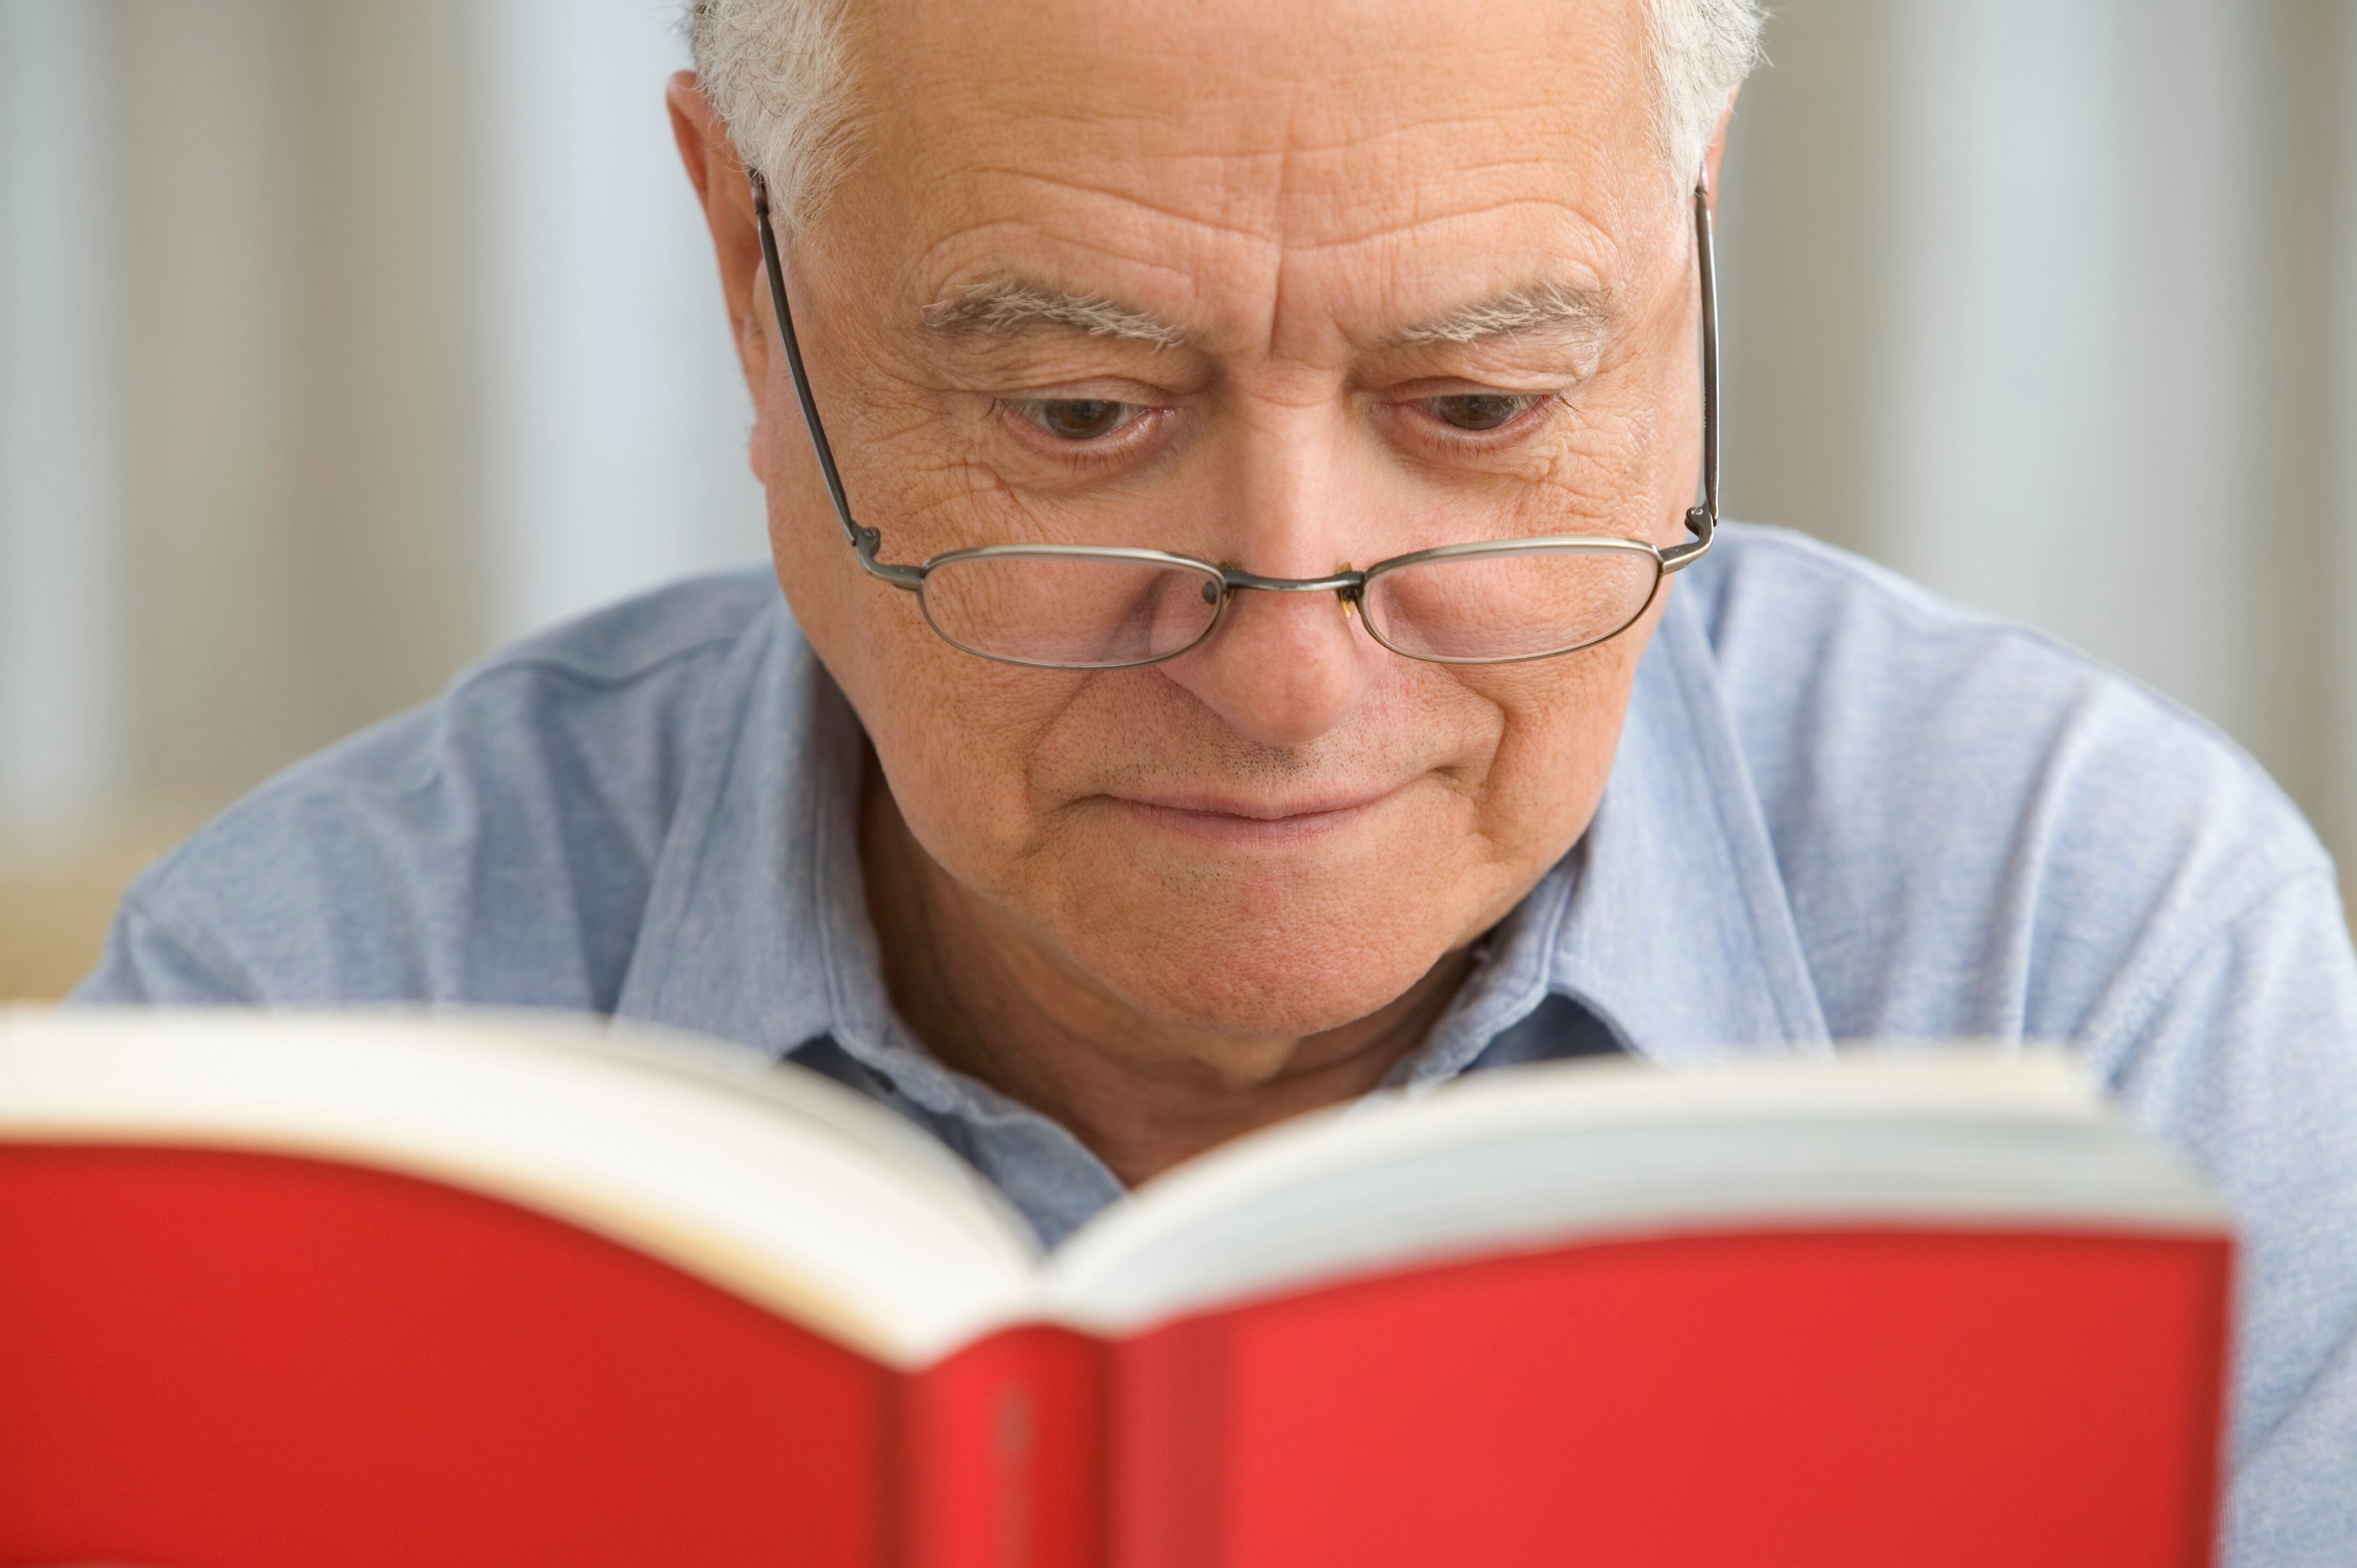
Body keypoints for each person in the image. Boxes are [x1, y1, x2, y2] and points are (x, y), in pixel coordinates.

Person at [72, 0, 2355, 1556]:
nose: (1282, 673)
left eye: (1476, 411)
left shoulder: (2088, 946)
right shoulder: (309, 1013)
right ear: (748, 273)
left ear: (1682, 245)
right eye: (1077, 418)